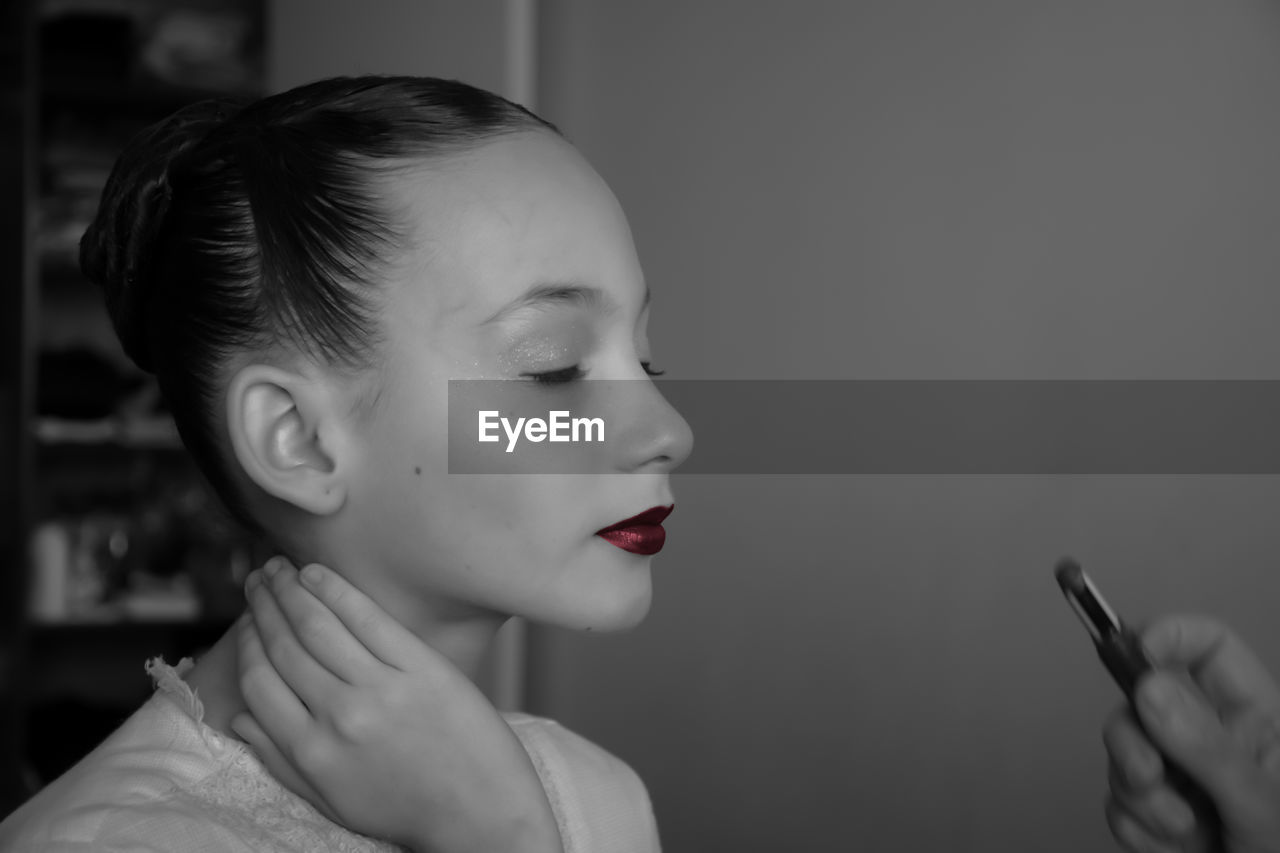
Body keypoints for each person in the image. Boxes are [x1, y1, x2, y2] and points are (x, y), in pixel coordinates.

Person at [0, 74, 691, 852]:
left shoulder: (595, 796)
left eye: (645, 362)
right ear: (297, 438)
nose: (668, 431)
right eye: (554, 366)